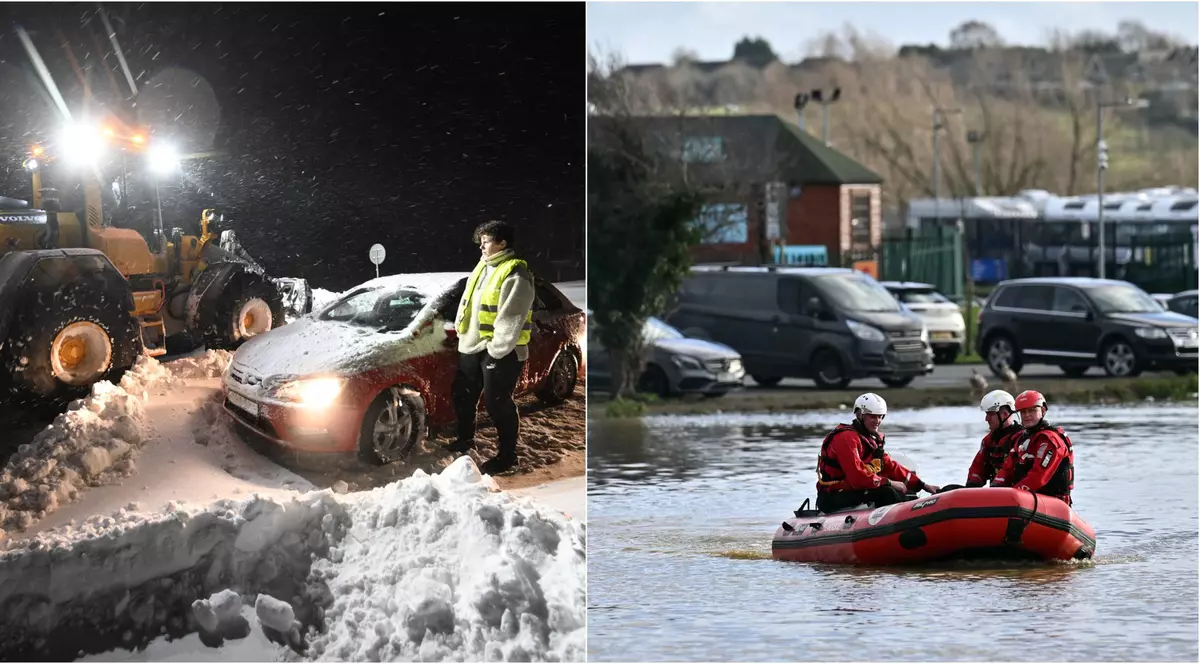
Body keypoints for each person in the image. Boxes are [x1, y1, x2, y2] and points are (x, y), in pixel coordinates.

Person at [444, 220, 536, 475]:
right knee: (463, 395)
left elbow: (512, 317)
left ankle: (507, 457)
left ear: (502, 243)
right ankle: (465, 440)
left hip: (501, 351)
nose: (481, 246)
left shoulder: (516, 273)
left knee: (498, 404)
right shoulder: (483, 267)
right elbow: (468, 303)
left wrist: (496, 350)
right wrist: (463, 334)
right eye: (481, 241)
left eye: (486, 241)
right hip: (473, 345)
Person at [814, 393, 940, 513]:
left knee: (898, 492)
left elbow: (890, 466)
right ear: (860, 415)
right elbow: (856, 477)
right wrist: (888, 482)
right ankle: (910, 519)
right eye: (872, 416)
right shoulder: (845, 438)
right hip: (833, 495)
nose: (877, 421)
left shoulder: (871, 440)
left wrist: (923, 485)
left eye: (880, 416)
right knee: (887, 492)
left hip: (853, 490)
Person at [993, 390, 1075, 506]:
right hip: (1028, 499)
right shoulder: (1021, 439)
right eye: (1023, 412)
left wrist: (1013, 494)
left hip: (1053, 503)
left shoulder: (1050, 441)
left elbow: (1038, 477)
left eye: (1032, 410)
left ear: (1042, 411)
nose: (1027, 415)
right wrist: (995, 487)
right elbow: (1007, 469)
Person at [964, 390, 1026, 487]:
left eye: (990, 414)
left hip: (1017, 492)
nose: (986, 419)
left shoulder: (1023, 439)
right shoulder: (989, 440)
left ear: (1005, 414)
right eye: (986, 414)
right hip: (996, 493)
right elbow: (977, 468)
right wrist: (971, 487)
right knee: (949, 488)